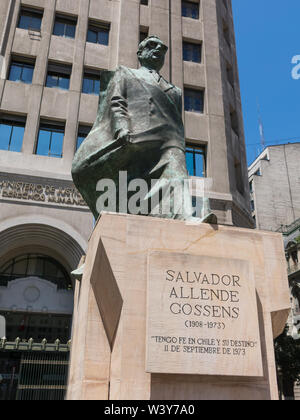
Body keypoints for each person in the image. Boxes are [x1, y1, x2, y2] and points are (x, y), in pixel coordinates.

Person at [72, 35, 216, 223]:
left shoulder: (175, 91)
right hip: (135, 137)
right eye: (152, 45)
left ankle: (184, 217)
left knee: (177, 171)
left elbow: (176, 123)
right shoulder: (125, 74)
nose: (158, 50)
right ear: (140, 53)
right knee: (87, 169)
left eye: (162, 49)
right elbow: (117, 103)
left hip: (167, 141)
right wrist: (121, 129)